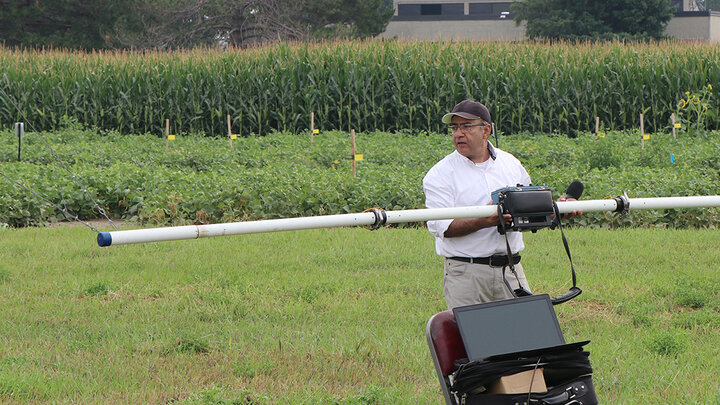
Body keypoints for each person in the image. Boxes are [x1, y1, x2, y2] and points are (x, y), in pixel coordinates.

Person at [423, 99, 578, 309]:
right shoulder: (439, 174)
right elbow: (443, 228)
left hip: (512, 270)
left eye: (466, 126)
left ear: (486, 130)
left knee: (525, 339)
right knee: (473, 340)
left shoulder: (511, 164)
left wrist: (554, 211)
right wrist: (486, 220)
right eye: (454, 127)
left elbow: (529, 212)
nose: (458, 134)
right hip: (466, 275)